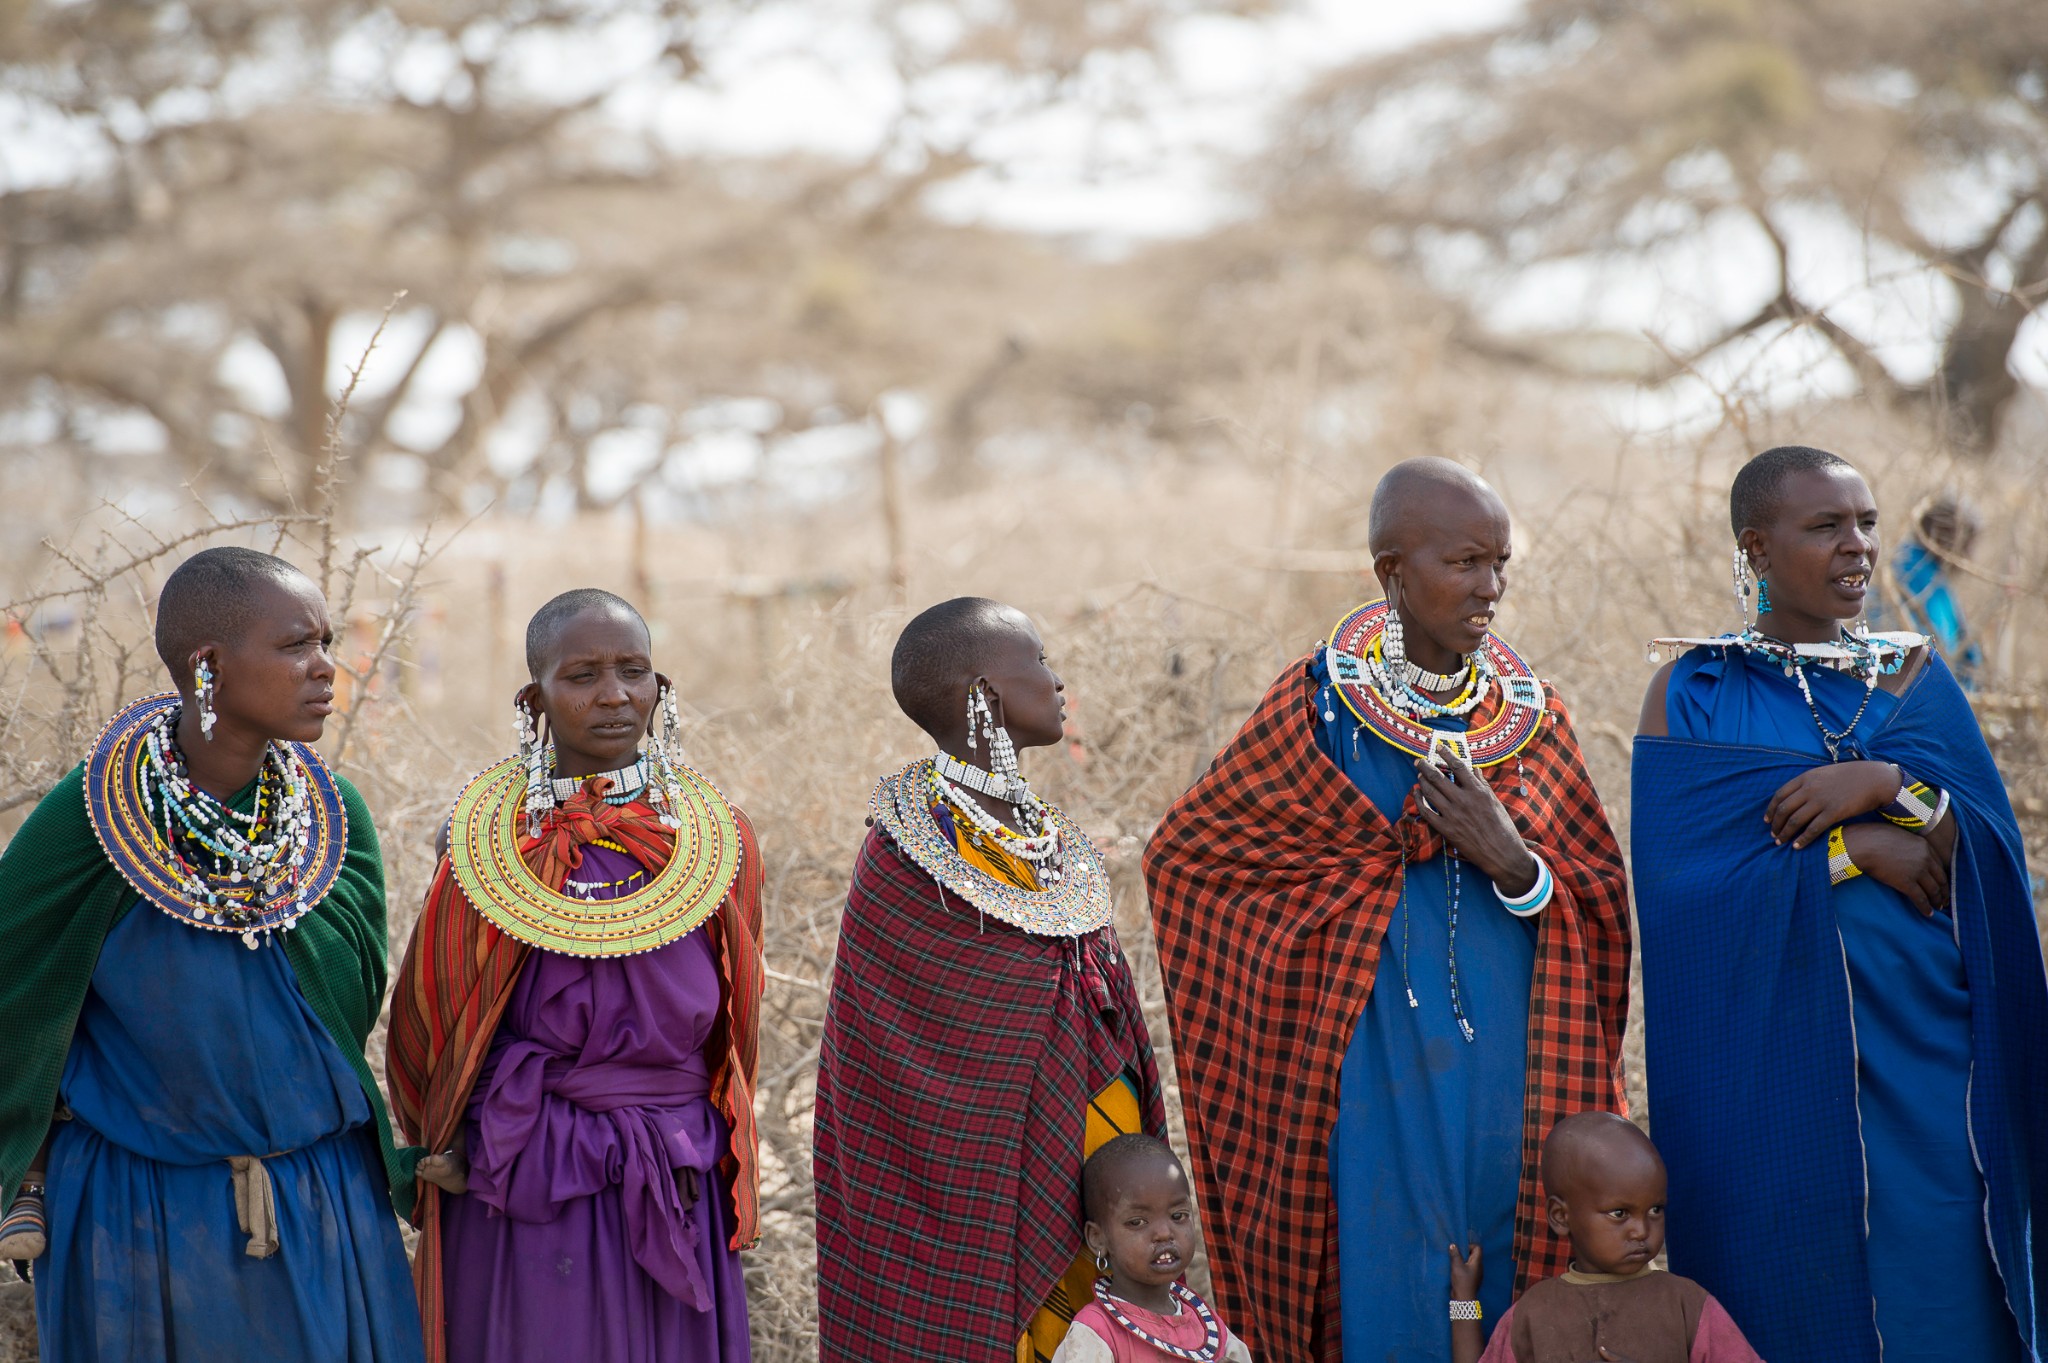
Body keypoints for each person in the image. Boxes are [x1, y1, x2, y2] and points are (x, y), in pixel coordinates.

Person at [1146, 457, 1633, 1362]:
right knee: (1382, 1268)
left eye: (1502, 563)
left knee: (1517, 1249)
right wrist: (1365, 879)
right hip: (1365, 1057)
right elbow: (1188, 858)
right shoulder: (1314, 710)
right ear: (1391, 572)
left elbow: (1597, 896)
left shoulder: (1536, 717)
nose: (1490, 587)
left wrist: (1512, 858)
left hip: (1513, 1061)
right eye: (1464, 563)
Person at [1634, 445, 2048, 1363]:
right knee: (1784, 1279)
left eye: (1865, 521)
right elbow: (1678, 899)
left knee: (1945, 1266)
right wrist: (1849, 850)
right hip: (1769, 1061)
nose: (1858, 545)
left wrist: (1886, 781)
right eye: (1826, 526)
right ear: (1756, 548)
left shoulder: (1915, 677)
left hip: (1932, 1056)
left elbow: (1982, 848)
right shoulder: (1694, 693)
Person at [0, 546, 423, 1360]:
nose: (326, 668)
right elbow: (16, 989)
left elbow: (349, 1011)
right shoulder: (90, 823)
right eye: (298, 645)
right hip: (136, 1218)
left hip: (328, 1206)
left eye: (327, 641)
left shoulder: (336, 821)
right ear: (210, 666)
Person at [386, 588, 763, 1363]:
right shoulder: (487, 846)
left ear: (662, 688)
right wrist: (464, 1135)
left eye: (634, 670)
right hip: (531, 1174)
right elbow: (431, 1020)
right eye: (583, 674)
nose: (615, 693)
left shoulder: (718, 842)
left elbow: (737, 1024)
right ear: (536, 698)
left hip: (677, 1166)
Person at [814, 597, 1166, 1363]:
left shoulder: (1053, 840)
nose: (1058, 678)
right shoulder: (902, 859)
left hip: (1096, 1151)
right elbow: (890, 1063)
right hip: (967, 1177)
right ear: (983, 695)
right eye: (1038, 660)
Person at [1450, 1113, 1763, 1363]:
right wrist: (1463, 1300)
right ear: (1561, 1217)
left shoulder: (1686, 1305)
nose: (1642, 1230)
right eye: (1619, 1213)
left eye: (1655, 1209)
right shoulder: (1533, 1313)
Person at [1050, 1134, 1253, 1363]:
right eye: (1137, 1222)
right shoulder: (1096, 1335)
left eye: (1178, 1216)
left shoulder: (1210, 1330)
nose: (1164, 1233)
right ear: (1098, 1238)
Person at [1874, 494, 1984, 686]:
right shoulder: (1915, 571)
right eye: (1967, 543)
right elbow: (1936, 652)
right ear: (1947, 534)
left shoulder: (1930, 572)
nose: (1969, 554)